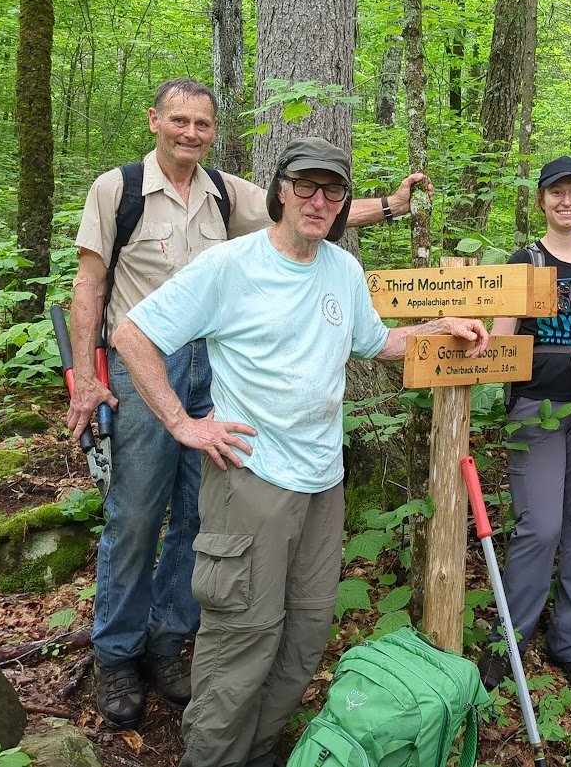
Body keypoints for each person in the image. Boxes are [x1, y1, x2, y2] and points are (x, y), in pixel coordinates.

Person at [110, 136, 488, 767]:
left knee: (306, 635)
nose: (319, 200)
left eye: (332, 190)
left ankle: (259, 751)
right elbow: (132, 333)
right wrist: (184, 424)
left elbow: (373, 343)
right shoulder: (232, 265)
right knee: (243, 639)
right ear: (281, 189)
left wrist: (437, 329)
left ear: (343, 202)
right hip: (250, 479)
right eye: (306, 186)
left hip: (322, 480)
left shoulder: (340, 267)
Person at [66, 78, 429, 728]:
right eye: (179, 120)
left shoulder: (224, 192)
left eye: (202, 123)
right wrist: (89, 377)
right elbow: (93, 285)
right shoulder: (118, 191)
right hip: (148, 362)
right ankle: (116, 654)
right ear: (155, 120)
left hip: (215, 364)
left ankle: (169, 642)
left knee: (196, 526)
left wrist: (395, 207)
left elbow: (323, 216)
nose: (190, 132)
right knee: (136, 514)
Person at [477, 156, 571, 694]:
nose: (567, 201)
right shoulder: (526, 261)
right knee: (540, 526)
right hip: (536, 409)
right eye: (556, 192)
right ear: (541, 200)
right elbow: (502, 336)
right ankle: (508, 642)